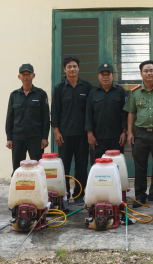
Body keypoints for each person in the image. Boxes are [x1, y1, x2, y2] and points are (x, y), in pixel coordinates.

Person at [125, 60, 153, 207]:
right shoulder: (135, 92)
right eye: (146, 70)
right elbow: (131, 113)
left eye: (151, 70)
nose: (149, 73)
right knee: (140, 165)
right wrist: (130, 133)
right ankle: (140, 195)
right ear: (141, 73)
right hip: (140, 134)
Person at [51, 56, 93, 206]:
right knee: (65, 167)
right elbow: (55, 111)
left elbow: (90, 112)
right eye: (69, 66)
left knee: (82, 166)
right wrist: (56, 131)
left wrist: (90, 132)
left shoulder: (86, 87)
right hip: (65, 135)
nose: (72, 69)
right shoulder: (59, 89)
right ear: (64, 69)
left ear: (79, 68)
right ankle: (65, 194)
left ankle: (79, 195)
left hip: (82, 134)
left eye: (75, 66)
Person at [5, 63, 50, 176]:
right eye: (23, 74)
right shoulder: (14, 95)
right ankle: (18, 191)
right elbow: (9, 117)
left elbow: (46, 117)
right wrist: (9, 138)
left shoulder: (41, 94)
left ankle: (38, 191)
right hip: (18, 138)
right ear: (19, 76)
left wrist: (45, 137)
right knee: (17, 168)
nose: (26, 77)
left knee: (37, 168)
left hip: (36, 138)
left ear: (33, 75)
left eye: (28, 74)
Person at [85, 63, 128, 163]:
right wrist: (89, 134)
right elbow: (89, 114)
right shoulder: (93, 93)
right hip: (97, 138)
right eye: (102, 75)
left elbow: (125, 113)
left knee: (116, 165)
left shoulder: (120, 91)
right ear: (98, 76)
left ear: (112, 76)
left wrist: (124, 132)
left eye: (108, 74)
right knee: (97, 166)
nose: (105, 77)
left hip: (116, 138)